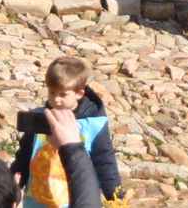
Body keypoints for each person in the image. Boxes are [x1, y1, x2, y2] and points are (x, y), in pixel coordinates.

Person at [10, 55, 123, 208]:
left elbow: (104, 159)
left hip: (75, 201)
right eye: (51, 92)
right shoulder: (39, 118)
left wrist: (114, 194)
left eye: (63, 94)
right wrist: (11, 188)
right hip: (37, 201)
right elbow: (24, 156)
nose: (56, 100)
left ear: (79, 93)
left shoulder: (93, 125)